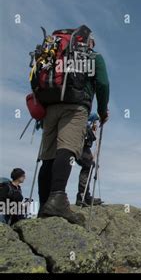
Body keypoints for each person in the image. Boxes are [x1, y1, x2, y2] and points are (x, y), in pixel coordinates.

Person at [37, 26, 109, 225]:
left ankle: (44, 205)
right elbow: (103, 84)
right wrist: (103, 111)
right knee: (67, 149)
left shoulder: (55, 55)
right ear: (88, 41)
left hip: (50, 107)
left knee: (48, 156)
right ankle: (58, 198)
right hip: (76, 106)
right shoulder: (93, 57)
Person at [76, 113, 104, 207]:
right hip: (81, 145)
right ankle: (83, 196)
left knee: (89, 165)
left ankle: (83, 196)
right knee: (88, 165)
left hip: (80, 144)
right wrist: (99, 117)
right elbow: (85, 117)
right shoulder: (85, 123)